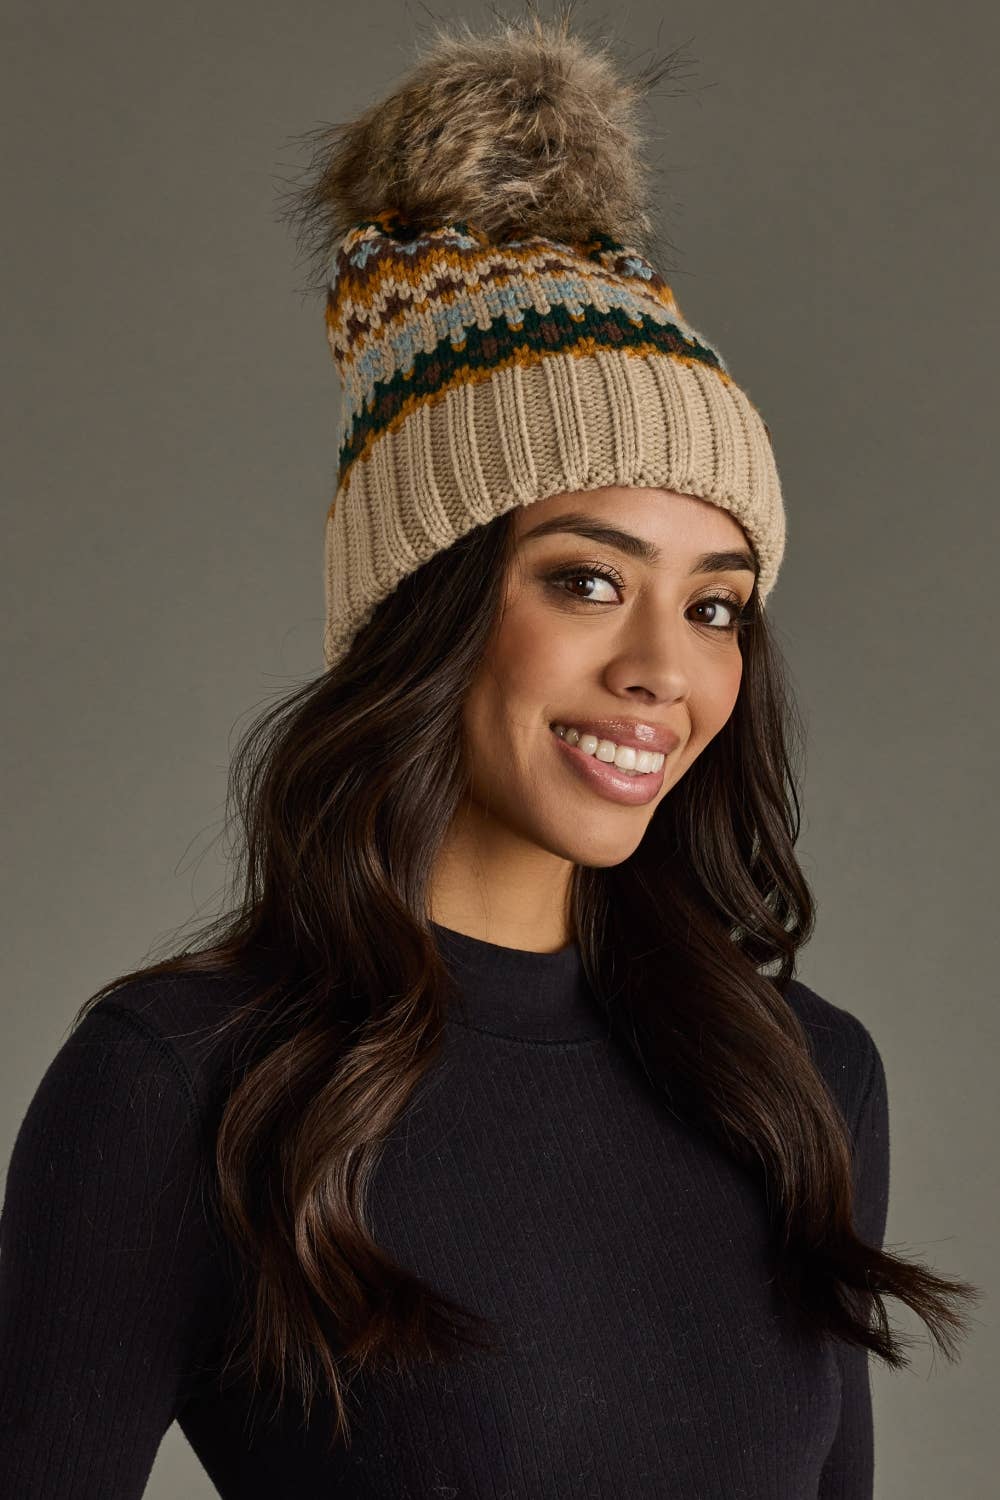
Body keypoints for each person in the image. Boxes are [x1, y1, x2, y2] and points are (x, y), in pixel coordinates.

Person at [0, 9, 978, 1498]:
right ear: (428, 610)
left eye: (716, 604)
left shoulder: (803, 1079)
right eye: (585, 579)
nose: (662, 668)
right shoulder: (185, 1087)